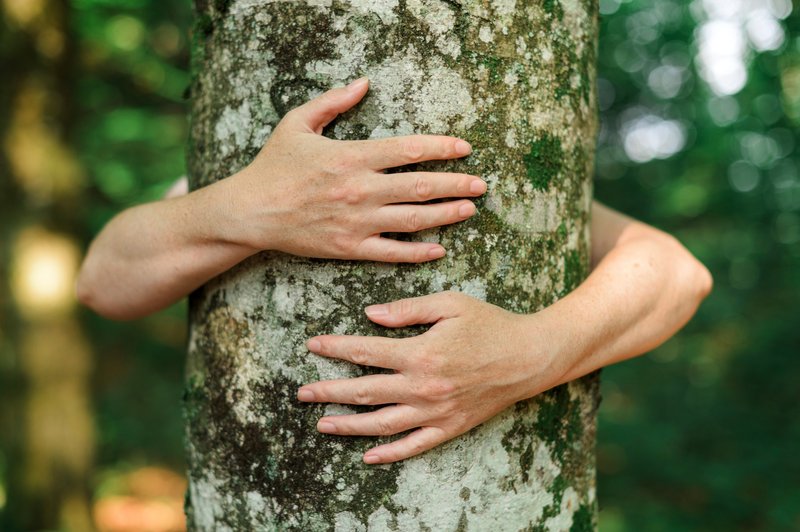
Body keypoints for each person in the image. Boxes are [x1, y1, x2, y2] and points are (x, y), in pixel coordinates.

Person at [77, 78, 712, 465]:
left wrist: (530, 352)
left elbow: (676, 274)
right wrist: (254, 206)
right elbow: (103, 278)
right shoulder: (223, 176)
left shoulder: (502, 183)